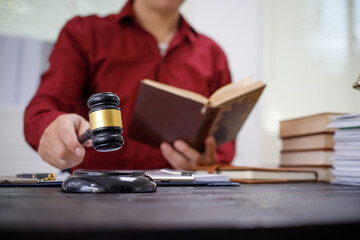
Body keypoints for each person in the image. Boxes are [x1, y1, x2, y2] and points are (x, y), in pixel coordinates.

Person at [24, 0, 235, 172]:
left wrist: (209, 164)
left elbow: (224, 144)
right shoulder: (83, 33)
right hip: (95, 199)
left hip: (183, 200)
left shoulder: (213, 54)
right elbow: (43, 110)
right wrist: (52, 129)